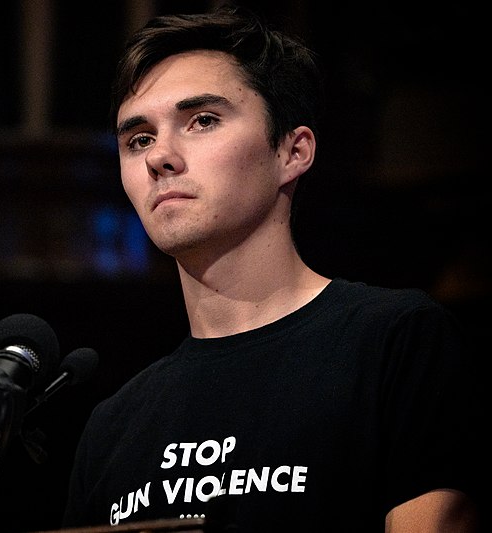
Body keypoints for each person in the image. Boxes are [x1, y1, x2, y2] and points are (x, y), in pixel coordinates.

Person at [61, 4, 481, 532]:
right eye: (138, 138)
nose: (159, 156)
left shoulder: (394, 342)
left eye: (203, 121)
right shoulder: (113, 425)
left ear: (292, 150)